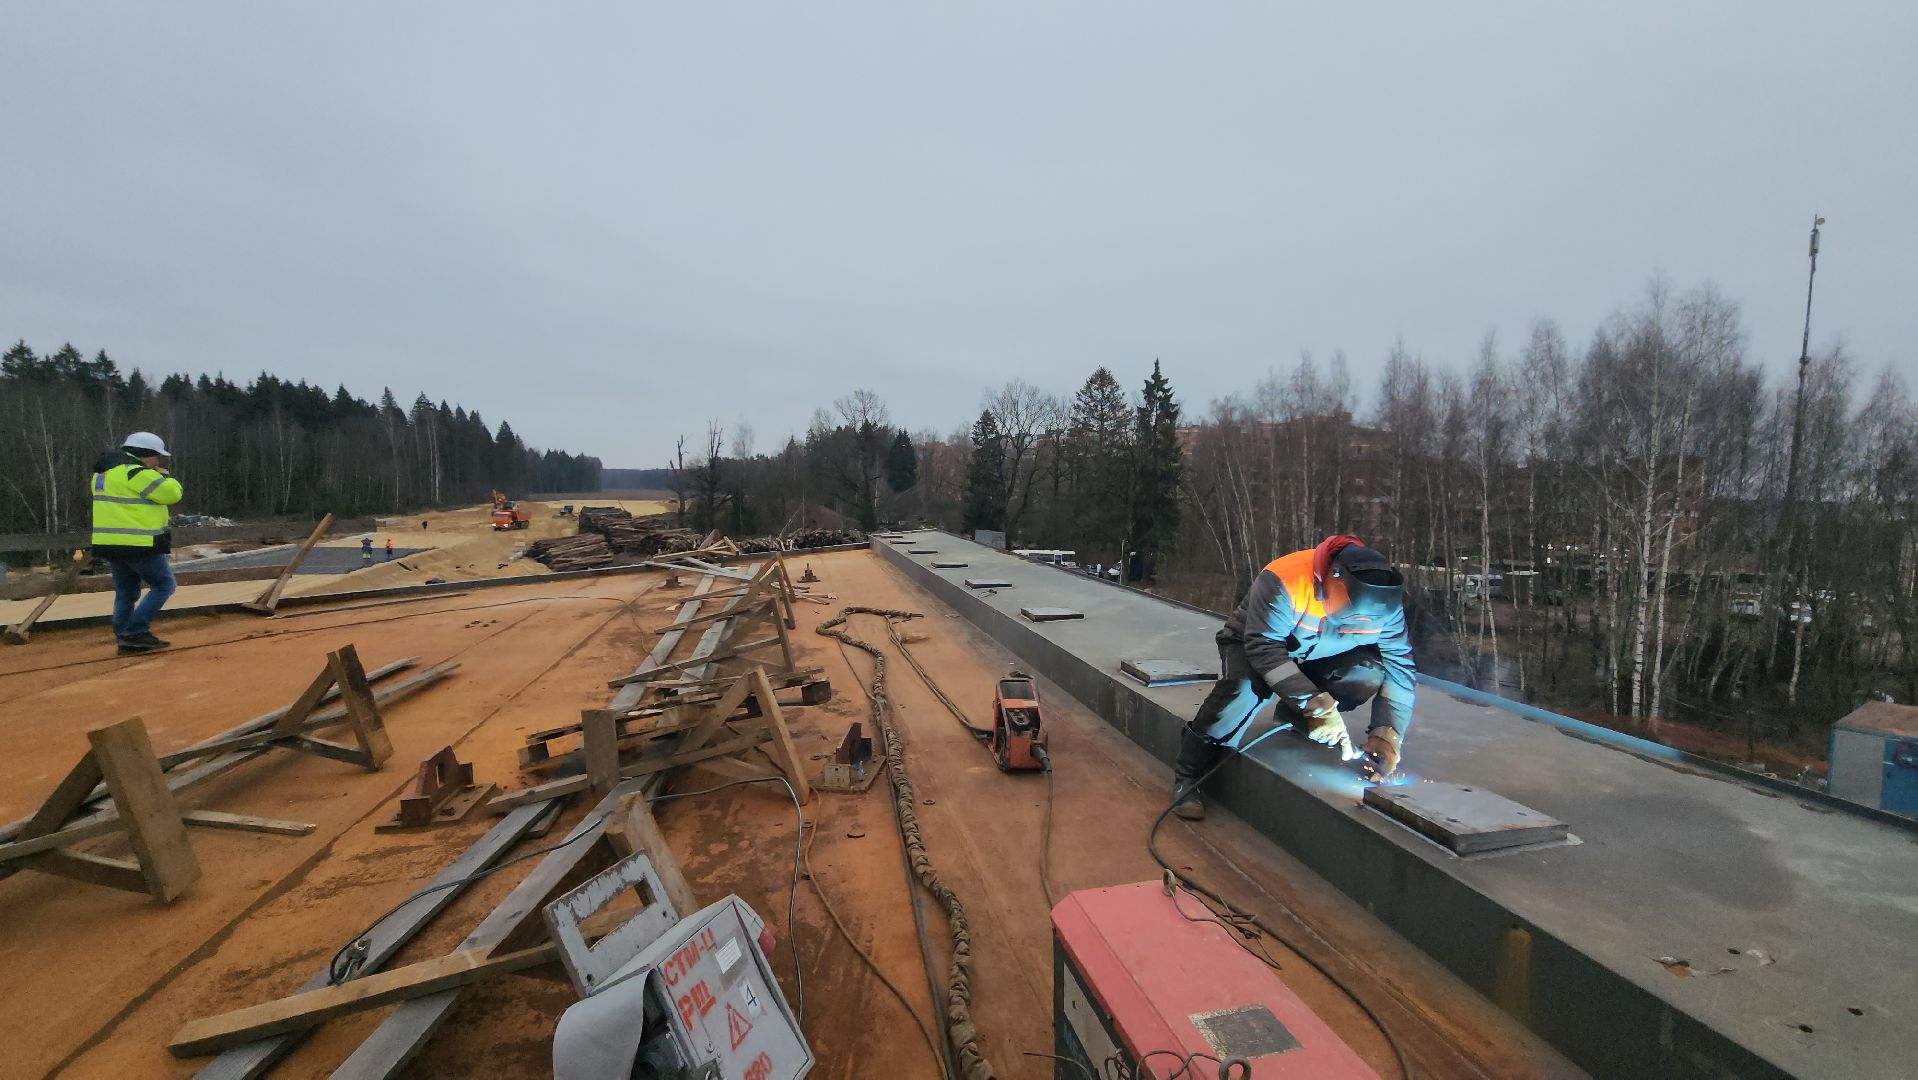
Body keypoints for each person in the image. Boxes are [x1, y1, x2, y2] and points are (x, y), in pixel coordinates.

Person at [1171, 535, 1416, 819]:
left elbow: (1399, 666)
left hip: (1316, 655)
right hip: (1254, 644)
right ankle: (1188, 775)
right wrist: (1313, 703)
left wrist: (1387, 733)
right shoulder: (1285, 580)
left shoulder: (1385, 606)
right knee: (1244, 691)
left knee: (1366, 672)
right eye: (1352, 616)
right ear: (1333, 580)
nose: (1359, 625)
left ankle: (1294, 716)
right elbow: (1264, 648)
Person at [90, 432, 184, 655]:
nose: (157, 462)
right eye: (155, 457)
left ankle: (124, 638)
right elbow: (172, 494)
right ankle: (136, 631)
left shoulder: (102, 474)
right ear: (145, 455)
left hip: (109, 543)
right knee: (164, 585)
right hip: (139, 542)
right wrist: (165, 476)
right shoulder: (136, 473)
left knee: (125, 592)